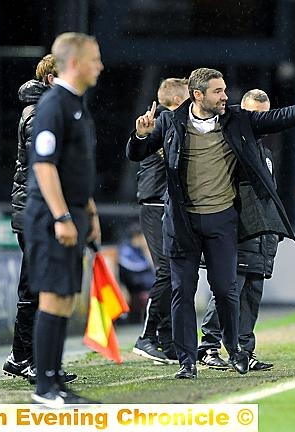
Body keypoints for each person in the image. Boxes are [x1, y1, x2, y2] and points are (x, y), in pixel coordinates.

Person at [127, 68, 295, 379]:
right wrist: (139, 135)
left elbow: (284, 117)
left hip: (221, 221)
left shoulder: (236, 119)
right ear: (198, 95)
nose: (225, 96)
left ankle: (235, 350)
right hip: (182, 224)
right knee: (182, 292)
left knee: (226, 290)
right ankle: (187, 362)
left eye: (225, 90)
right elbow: (137, 154)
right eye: (218, 91)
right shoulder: (169, 121)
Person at [25, 32, 103, 406]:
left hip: (73, 214)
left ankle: (56, 382)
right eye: (94, 59)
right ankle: (45, 387)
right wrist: (60, 216)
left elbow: (76, 169)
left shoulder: (76, 104)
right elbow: (44, 166)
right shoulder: (54, 104)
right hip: (51, 216)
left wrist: (89, 212)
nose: (100, 66)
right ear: (74, 63)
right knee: (53, 297)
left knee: (67, 297)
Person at [2, 54, 77, 385]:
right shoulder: (38, 115)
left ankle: (20, 357)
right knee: (37, 286)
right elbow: (43, 167)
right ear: (51, 80)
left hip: (37, 209)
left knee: (36, 284)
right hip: (34, 210)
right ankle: (30, 359)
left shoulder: (47, 111)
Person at [197, 89, 276, 372]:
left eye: (264, 116)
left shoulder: (264, 153)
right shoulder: (226, 145)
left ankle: (245, 351)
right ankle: (208, 347)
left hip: (260, 238)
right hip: (236, 234)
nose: (259, 121)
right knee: (228, 292)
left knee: (251, 296)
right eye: (253, 115)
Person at [132, 78, 189, 364]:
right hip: (156, 203)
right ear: (178, 101)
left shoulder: (169, 122)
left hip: (164, 203)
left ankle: (167, 341)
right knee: (167, 270)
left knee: (175, 272)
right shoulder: (164, 122)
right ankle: (147, 336)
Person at [118, 224, 154, 324]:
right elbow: (132, 271)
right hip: (131, 285)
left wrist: (146, 251)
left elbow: (152, 268)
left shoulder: (142, 250)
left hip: (144, 284)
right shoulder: (126, 251)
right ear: (136, 237)